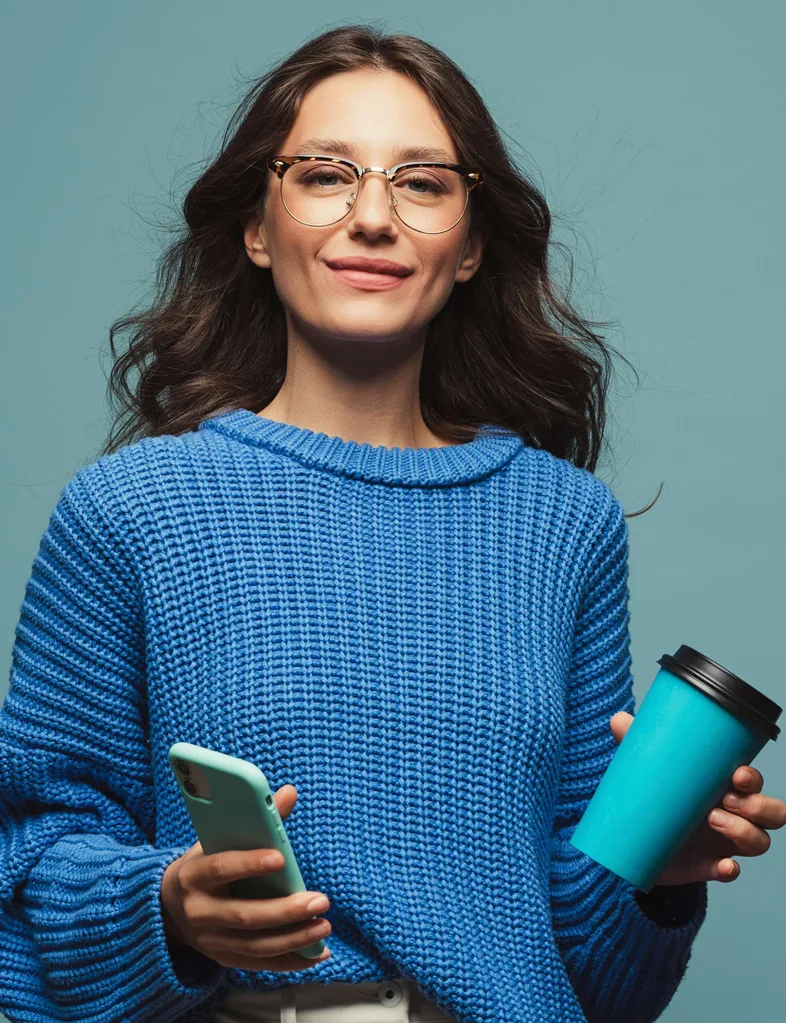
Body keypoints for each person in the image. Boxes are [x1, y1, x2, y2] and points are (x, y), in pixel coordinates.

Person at [2, 23, 784, 1023]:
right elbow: (25, 859)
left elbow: (594, 974)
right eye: (325, 174)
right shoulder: (131, 512)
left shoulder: (564, 522)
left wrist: (657, 873)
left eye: (421, 184)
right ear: (256, 226)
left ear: (468, 247)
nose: (372, 216)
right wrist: (165, 908)